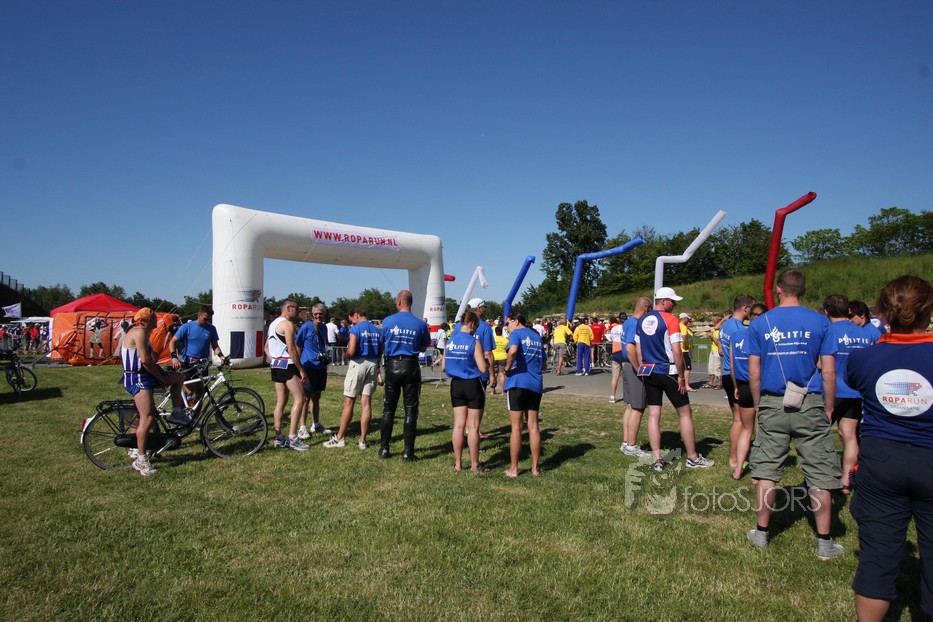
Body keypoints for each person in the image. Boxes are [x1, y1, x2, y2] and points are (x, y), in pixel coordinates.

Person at [846, 275, 933, 620]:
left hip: (881, 459)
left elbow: (857, 382)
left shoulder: (863, 358)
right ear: (927, 311)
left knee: (877, 558)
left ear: (882, 311)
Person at [746, 269, 842, 560]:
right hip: (810, 401)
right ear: (802, 290)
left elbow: (754, 372)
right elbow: (829, 372)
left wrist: (758, 403)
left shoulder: (760, 323)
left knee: (766, 470)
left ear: (778, 289)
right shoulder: (820, 322)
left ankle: (761, 533)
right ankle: (824, 542)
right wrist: (829, 405)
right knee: (819, 471)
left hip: (772, 401)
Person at [635, 287, 713, 471]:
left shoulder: (642, 320)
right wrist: (681, 377)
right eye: (673, 301)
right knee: (685, 413)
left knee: (654, 415)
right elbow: (677, 351)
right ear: (663, 301)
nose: (675, 304)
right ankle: (692, 457)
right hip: (668, 370)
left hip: (649, 370)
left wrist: (641, 369)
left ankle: (657, 459)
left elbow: (638, 349)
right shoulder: (671, 320)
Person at [809, 294, 878, 493]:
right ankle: (847, 480)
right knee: (849, 435)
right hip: (856, 392)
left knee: (818, 436)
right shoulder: (864, 333)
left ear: (826, 312)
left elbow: (822, 364)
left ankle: (819, 478)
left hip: (832, 391)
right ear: (848, 310)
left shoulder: (828, 332)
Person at [121, 308, 185, 476]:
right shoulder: (139, 332)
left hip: (144, 375)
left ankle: (176, 413)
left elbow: (151, 359)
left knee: (178, 378)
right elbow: (145, 361)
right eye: (153, 318)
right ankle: (141, 460)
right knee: (148, 417)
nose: (157, 320)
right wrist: (160, 378)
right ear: (144, 320)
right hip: (138, 377)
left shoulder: (142, 333)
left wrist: (162, 373)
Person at [379, 290, 431, 461]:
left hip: (392, 365)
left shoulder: (388, 321)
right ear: (411, 303)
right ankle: (408, 452)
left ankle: (384, 449)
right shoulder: (420, 324)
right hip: (411, 365)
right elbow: (423, 347)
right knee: (410, 409)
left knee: (389, 409)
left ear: (399, 302)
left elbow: (383, 342)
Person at [324, 307, 381, 449]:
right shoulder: (377, 330)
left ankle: (340, 438)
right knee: (366, 403)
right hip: (373, 363)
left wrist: (345, 354)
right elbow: (380, 350)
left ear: (356, 315)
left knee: (349, 402)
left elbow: (352, 350)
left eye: (352, 320)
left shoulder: (355, 329)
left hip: (358, 364)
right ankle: (363, 440)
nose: (352, 323)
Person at [443, 310, 489, 472]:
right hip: (472, 384)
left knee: (458, 425)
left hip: (456, 385)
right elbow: (483, 368)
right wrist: (487, 363)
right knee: (474, 426)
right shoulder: (474, 342)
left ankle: (458, 463)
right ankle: (475, 465)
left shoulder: (450, 341)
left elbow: (444, 366)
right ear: (472, 324)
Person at [728, 302, 767, 479]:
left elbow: (732, 365)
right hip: (761, 385)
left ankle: (738, 468)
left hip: (743, 385)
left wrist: (736, 385)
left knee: (746, 428)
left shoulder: (736, 336)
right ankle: (759, 471)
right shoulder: (764, 336)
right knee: (763, 430)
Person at [503, 314, 544, 478]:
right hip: (535, 384)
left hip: (518, 383)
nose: (507, 327)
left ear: (516, 321)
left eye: (508, 323)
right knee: (533, 426)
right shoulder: (537, 337)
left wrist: (507, 368)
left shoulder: (516, 334)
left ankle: (514, 469)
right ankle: (535, 468)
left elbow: (513, 351)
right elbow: (544, 363)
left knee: (516, 427)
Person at [719, 295, 756, 470]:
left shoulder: (726, 325)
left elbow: (721, 351)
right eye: (752, 309)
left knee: (737, 418)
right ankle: (734, 458)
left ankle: (736, 456)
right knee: (740, 420)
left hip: (727, 373)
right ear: (746, 309)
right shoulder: (738, 329)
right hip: (736, 376)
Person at [266, 299, 309, 451]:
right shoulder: (287, 324)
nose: (298, 312)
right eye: (297, 309)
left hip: (276, 365)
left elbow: (266, 347)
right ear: (289, 308)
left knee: (281, 402)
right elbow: (291, 349)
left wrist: (274, 359)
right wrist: (301, 369)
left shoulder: (272, 324)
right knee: (300, 398)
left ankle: (278, 437)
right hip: (288, 365)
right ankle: (292, 438)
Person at [169, 305, 225, 418]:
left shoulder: (211, 328)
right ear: (199, 315)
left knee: (201, 392)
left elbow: (215, 345)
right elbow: (173, 341)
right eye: (205, 319)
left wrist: (222, 356)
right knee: (189, 391)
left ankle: (195, 418)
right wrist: (174, 356)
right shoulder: (187, 327)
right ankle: (179, 415)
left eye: (209, 319)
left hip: (203, 364)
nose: (207, 321)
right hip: (189, 363)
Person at [620, 297, 651, 457]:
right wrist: (639, 369)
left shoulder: (628, 322)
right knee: (638, 407)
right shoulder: (636, 323)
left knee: (631, 406)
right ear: (646, 308)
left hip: (627, 365)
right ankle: (631, 445)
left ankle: (626, 443)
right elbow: (630, 348)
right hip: (633, 367)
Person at [296, 302, 332, 440]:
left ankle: (316, 424)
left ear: (324, 314)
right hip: (308, 366)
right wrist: (299, 366)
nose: (318, 316)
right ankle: (302, 427)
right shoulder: (306, 327)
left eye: (320, 314)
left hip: (320, 366)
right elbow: (298, 345)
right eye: (316, 314)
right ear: (312, 314)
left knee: (316, 397)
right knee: (305, 398)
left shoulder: (324, 327)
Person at [678, 313, 696, 391]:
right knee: (687, 368)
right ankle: (686, 385)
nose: (688, 321)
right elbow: (684, 337)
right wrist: (685, 345)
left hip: (679, 350)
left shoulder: (678, 325)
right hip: (684, 350)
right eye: (687, 319)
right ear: (684, 318)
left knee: (681, 367)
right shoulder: (683, 327)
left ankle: (683, 383)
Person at [492, 325, 509, 394]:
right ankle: (502, 391)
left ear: (495, 332)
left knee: (494, 374)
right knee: (502, 375)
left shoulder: (493, 340)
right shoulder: (506, 340)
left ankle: (493, 391)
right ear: (501, 332)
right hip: (503, 357)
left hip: (494, 357)